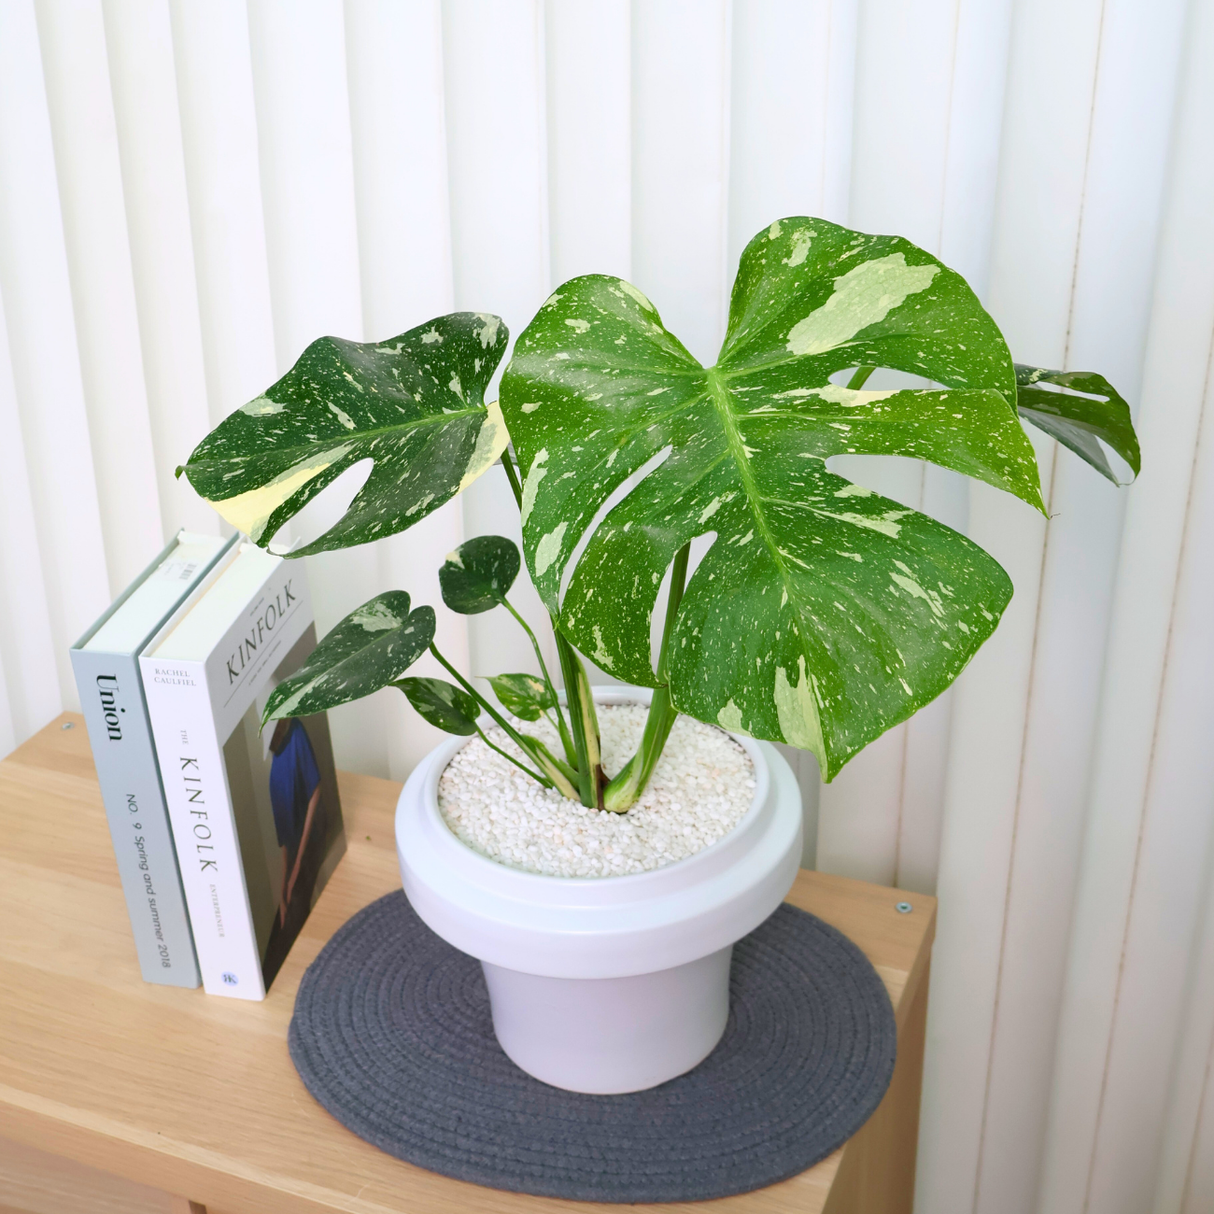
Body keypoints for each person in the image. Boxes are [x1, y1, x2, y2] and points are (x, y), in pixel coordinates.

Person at [261, 716, 326, 983]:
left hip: (310, 838)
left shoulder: (296, 732)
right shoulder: (275, 773)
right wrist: (282, 887)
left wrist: (298, 865)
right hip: (295, 845)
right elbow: (284, 837)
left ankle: (293, 976)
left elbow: (315, 792)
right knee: (283, 913)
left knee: (297, 905)